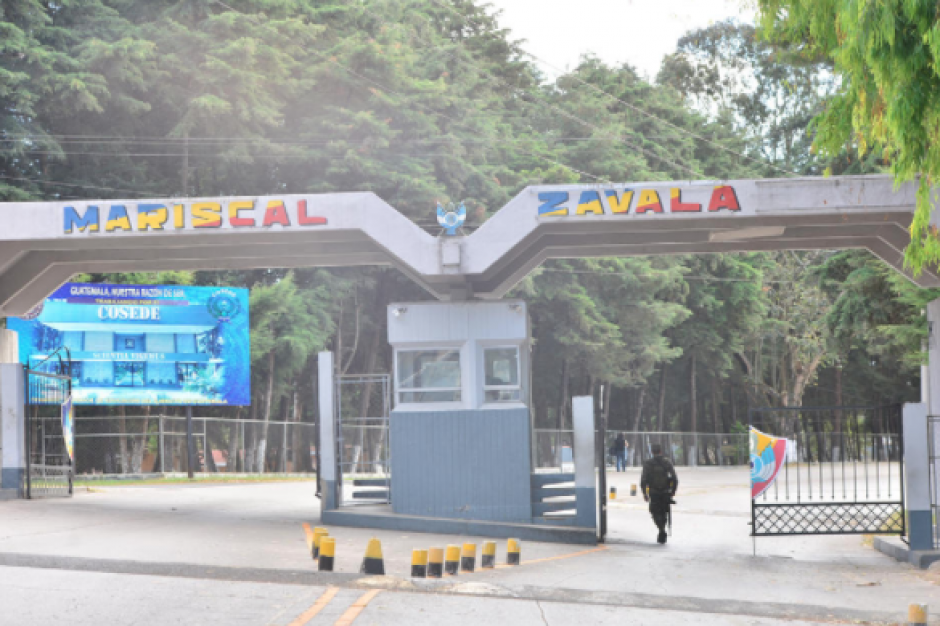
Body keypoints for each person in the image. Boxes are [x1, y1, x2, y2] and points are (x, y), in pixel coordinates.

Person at [640, 443, 678, 544]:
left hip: (654, 492)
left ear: (652, 452)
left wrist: (644, 493)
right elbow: (674, 478)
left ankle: (661, 529)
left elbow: (643, 480)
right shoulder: (667, 462)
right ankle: (662, 529)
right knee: (664, 511)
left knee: (655, 511)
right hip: (666, 492)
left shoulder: (648, 463)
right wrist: (673, 491)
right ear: (660, 451)